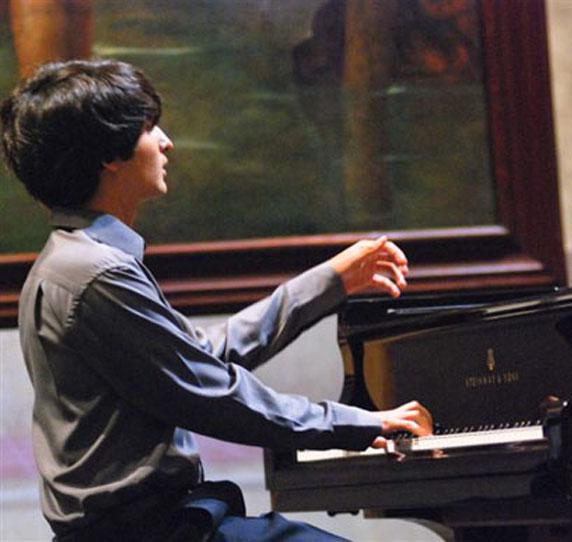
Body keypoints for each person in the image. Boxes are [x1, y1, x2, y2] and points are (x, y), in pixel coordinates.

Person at [1, 59, 433, 541]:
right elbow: (211, 393)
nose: (166, 142)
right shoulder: (96, 274)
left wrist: (331, 280)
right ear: (109, 155)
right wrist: (358, 423)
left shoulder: (73, 262)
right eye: (149, 128)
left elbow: (201, 357)